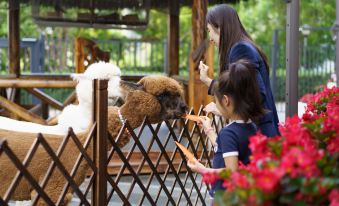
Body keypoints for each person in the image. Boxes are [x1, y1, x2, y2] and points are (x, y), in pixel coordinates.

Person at [199, 4, 279, 137]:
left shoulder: (241, 49)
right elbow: (241, 89)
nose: (210, 38)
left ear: (219, 26)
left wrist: (222, 109)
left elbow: (255, 95)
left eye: (209, 31)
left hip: (258, 135)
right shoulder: (242, 46)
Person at [187, 60, 265, 197]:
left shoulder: (228, 132)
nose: (215, 104)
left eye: (216, 100)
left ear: (225, 100)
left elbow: (232, 171)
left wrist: (203, 170)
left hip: (225, 196)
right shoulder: (251, 126)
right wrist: (209, 130)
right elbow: (225, 148)